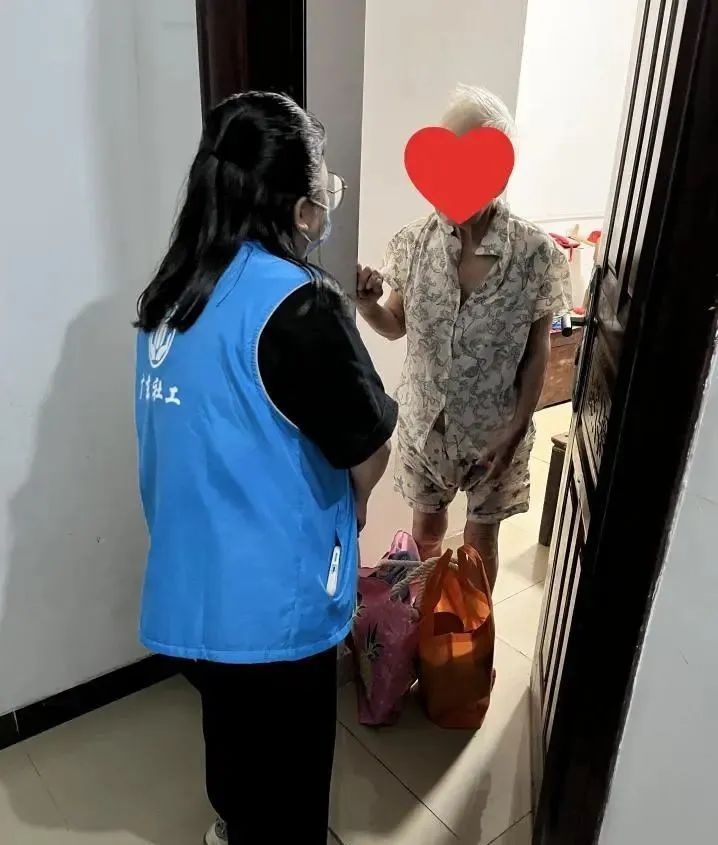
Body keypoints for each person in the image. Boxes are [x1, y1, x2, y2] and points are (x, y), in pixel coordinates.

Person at [134, 91, 397, 845]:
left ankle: (235, 823)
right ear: (301, 206)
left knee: (232, 737)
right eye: (326, 188)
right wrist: (354, 503)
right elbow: (368, 447)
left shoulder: (171, 293)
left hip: (193, 586)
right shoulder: (299, 303)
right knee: (289, 775)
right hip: (272, 604)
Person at [357, 84, 570, 590]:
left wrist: (515, 430)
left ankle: (471, 634)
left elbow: (537, 352)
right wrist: (367, 304)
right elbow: (394, 325)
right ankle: (420, 623)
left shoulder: (535, 253)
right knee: (425, 535)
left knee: (479, 545)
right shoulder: (414, 243)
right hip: (425, 429)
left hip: (496, 432)